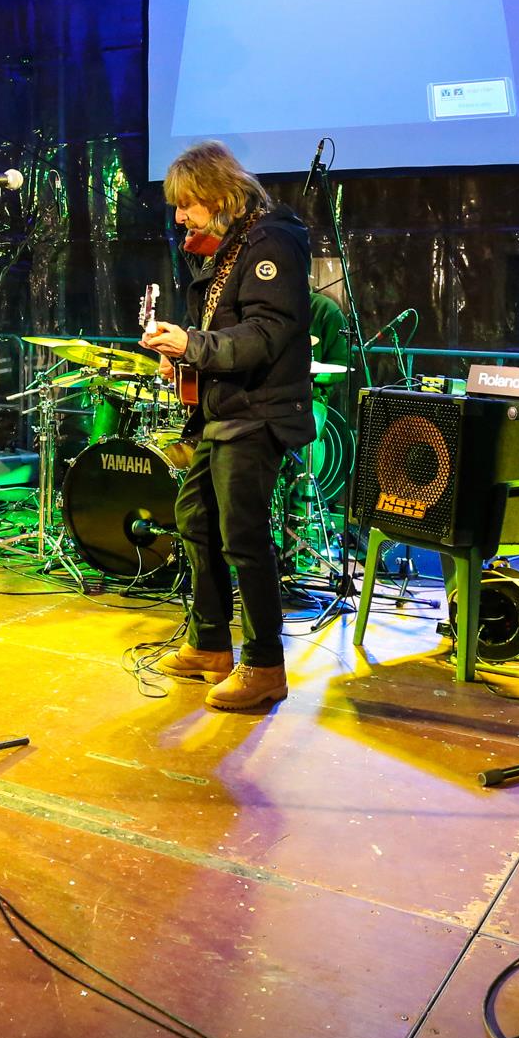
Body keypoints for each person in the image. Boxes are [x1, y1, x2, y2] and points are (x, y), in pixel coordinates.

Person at [141, 141, 314, 711]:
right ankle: (211, 645)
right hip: (224, 412)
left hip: (258, 413)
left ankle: (265, 667)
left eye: (185, 204)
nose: (179, 217)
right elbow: (229, 332)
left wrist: (193, 344)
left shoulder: (272, 243)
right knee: (195, 518)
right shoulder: (233, 246)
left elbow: (266, 334)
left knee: (243, 536)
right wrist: (185, 359)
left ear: (217, 195)